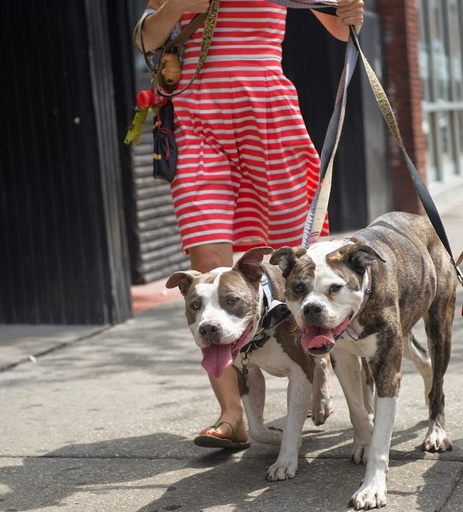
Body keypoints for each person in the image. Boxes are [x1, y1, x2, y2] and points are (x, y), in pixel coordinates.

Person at [134, 0, 364, 449]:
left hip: (267, 111)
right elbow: (146, 36)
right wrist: (180, 5)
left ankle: (317, 362)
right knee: (206, 256)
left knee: (292, 258)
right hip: (196, 116)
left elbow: (341, 27)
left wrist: (350, 9)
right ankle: (232, 414)